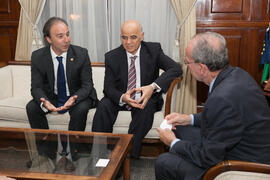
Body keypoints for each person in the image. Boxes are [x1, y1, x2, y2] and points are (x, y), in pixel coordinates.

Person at [155, 32, 270, 180]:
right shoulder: (237, 74)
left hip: (243, 164)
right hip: (239, 145)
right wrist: (187, 118)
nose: (187, 67)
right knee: (181, 129)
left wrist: (172, 143)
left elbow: (207, 157)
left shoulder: (222, 97)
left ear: (202, 68)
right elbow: (223, 118)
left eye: (187, 62)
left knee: (164, 162)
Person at [92, 20, 182, 158]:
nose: (128, 42)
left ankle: (126, 154)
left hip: (145, 99)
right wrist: (123, 98)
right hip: (123, 99)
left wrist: (152, 87)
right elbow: (108, 88)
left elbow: (176, 69)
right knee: (104, 104)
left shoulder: (153, 50)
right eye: (124, 37)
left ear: (142, 36)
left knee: (144, 107)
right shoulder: (112, 56)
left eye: (133, 37)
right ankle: (99, 154)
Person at [26, 17, 98, 163]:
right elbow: (36, 87)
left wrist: (74, 98)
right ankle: (46, 153)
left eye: (67, 34)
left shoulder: (81, 54)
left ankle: (73, 154)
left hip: (78, 96)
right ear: (48, 39)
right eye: (60, 36)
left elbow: (87, 85)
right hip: (53, 97)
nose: (66, 39)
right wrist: (44, 101)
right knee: (32, 107)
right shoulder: (38, 56)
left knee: (81, 109)